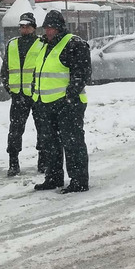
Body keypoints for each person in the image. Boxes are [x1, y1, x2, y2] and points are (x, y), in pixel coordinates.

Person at [31, 10, 91, 193]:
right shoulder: (45, 45)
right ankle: (53, 177)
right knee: (50, 144)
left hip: (67, 103)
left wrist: (70, 96)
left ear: (60, 28)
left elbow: (82, 73)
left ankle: (79, 180)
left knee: (72, 143)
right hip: (46, 103)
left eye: (52, 28)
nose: (48, 31)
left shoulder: (73, 44)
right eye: (47, 28)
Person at [0, 12, 48, 177]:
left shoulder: (42, 44)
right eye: (21, 26)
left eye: (27, 26)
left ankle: (43, 161)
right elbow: (5, 68)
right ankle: (13, 162)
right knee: (15, 130)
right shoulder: (12, 44)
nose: (24, 29)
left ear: (33, 27)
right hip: (17, 95)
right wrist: (8, 86)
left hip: (36, 95)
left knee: (43, 129)